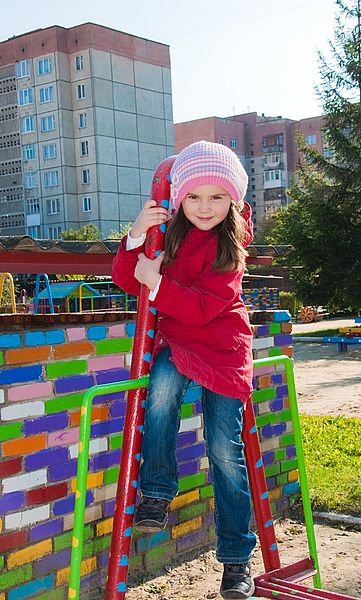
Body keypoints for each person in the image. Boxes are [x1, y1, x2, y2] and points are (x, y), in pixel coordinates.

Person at [112, 140, 256, 599]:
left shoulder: (232, 243)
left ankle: (236, 561)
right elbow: (125, 277)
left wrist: (157, 282)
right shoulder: (172, 233)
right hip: (181, 342)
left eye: (216, 197)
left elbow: (202, 307)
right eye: (193, 197)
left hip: (223, 346)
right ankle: (156, 488)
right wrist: (136, 236)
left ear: (232, 199)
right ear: (180, 199)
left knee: (223, 451)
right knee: (159, 394)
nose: (204, 207)